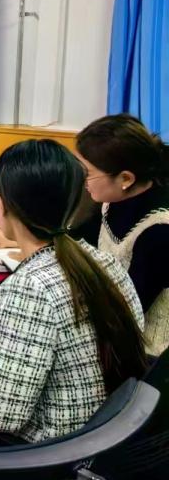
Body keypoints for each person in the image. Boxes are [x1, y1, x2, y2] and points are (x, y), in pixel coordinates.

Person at [0, 140, 147, 443]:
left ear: (2, 204)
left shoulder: (29, 287)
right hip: (112, 437)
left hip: (55, 454)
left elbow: (1, 414)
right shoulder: (103, 261)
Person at [75, 114, 169, 356]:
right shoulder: (113, 198)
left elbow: (127, 312)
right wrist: (23, 238)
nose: (83, 181)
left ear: (125, 178)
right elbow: (78, 242)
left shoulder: (160, 230)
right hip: (108, 332)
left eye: (88, 173)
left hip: (146, 353)